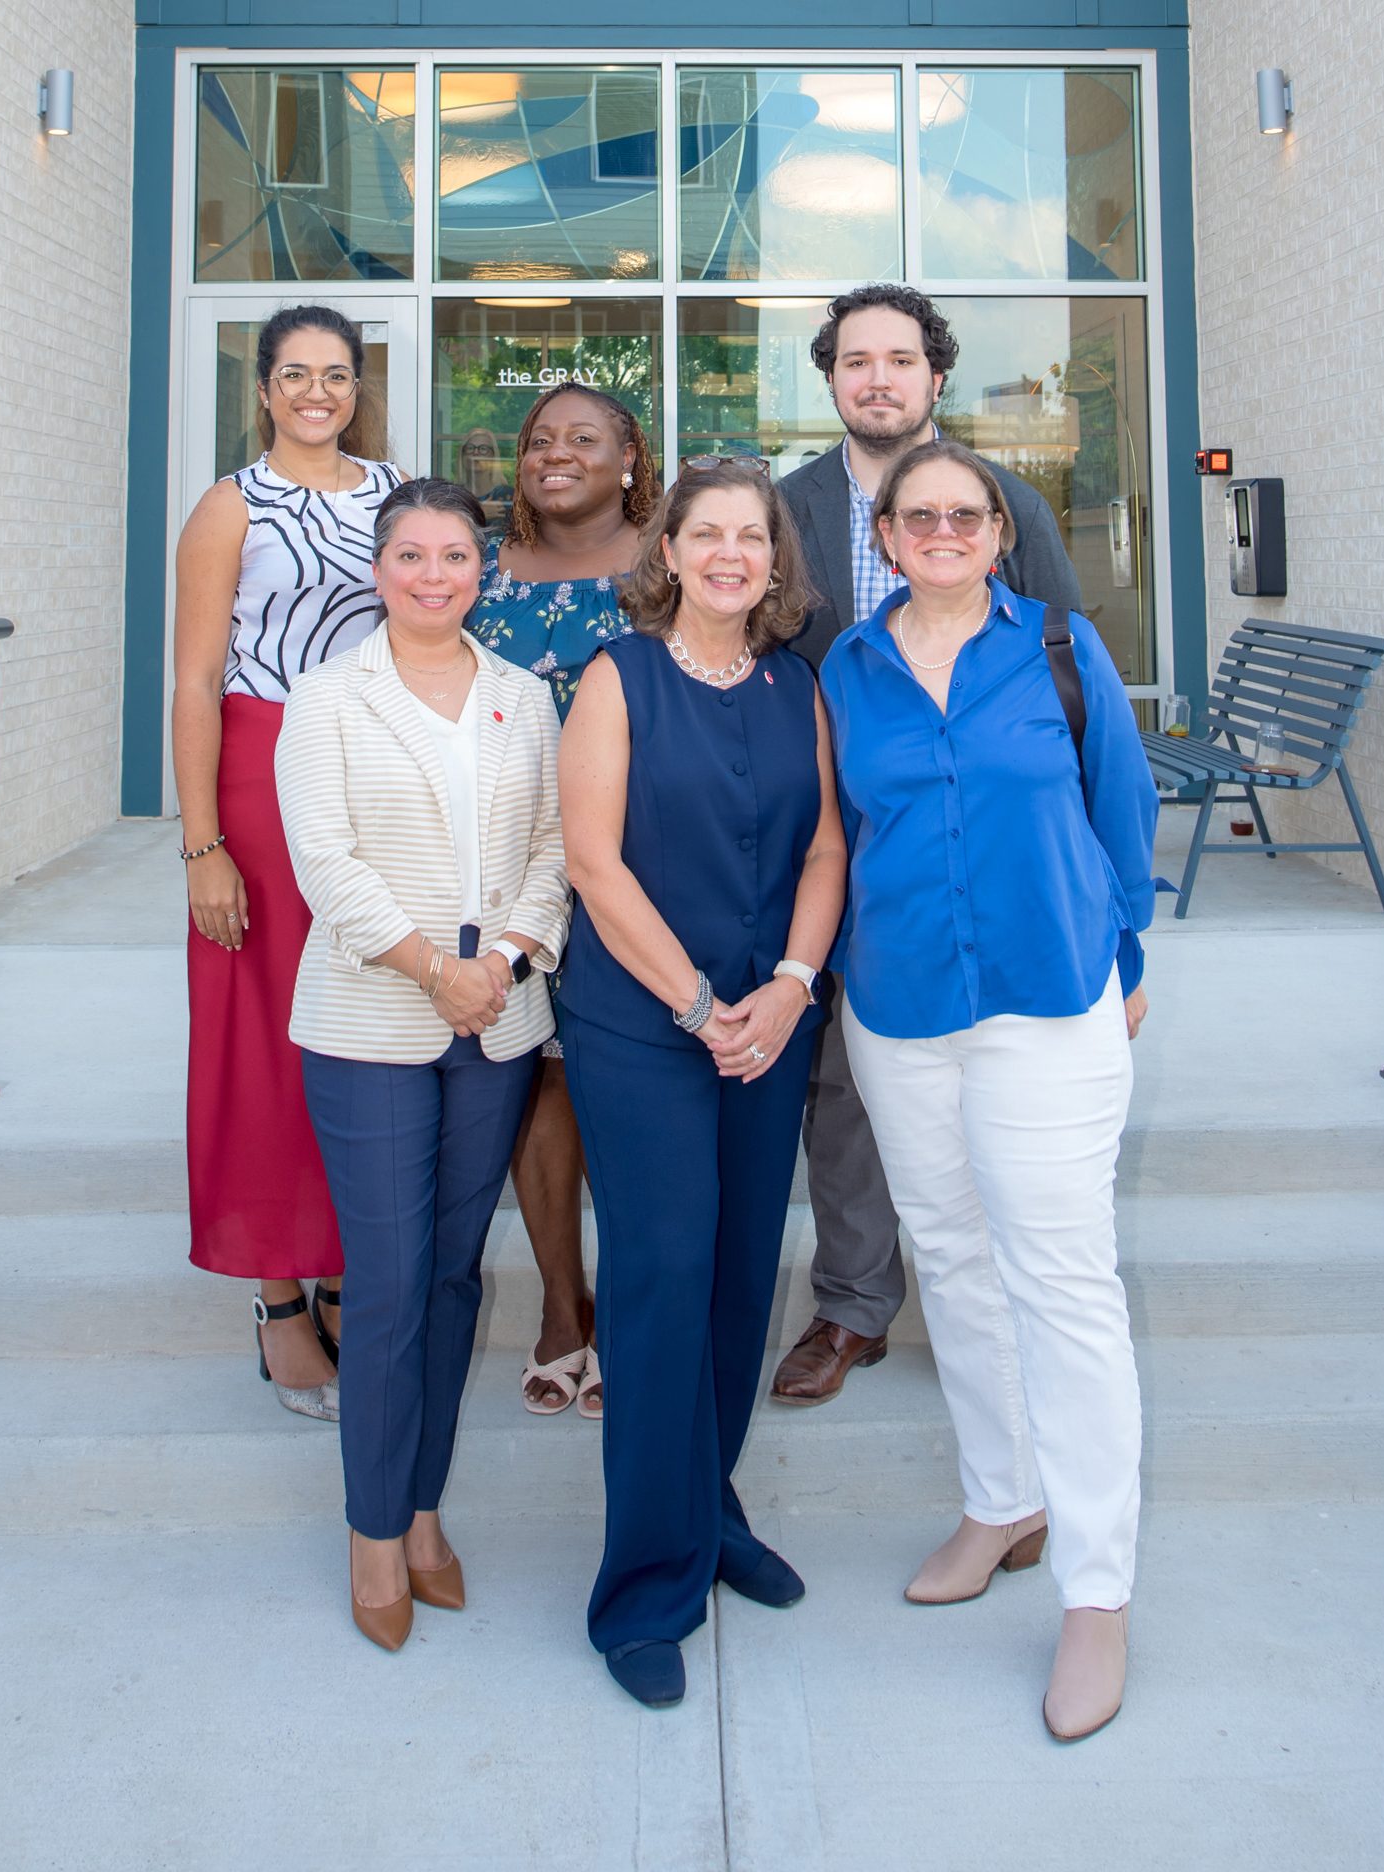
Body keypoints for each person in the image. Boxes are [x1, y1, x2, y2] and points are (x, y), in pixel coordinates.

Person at [819, 438, 1157, 1741]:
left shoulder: (1063, 654)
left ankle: (1094, 1590)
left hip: (1045, 998)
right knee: (952, 1262)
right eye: (918, 518)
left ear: (997, 534)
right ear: (886, 540)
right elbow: (836, 836)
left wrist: (1125, 955)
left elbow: (1117, 813)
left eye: (967, 514)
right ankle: (997, 1499)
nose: (943, 532)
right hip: (900, 1007)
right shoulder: (845, 671)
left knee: (1061, 1285)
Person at [557, 460, 847, 1708]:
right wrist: (694, 1005)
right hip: (642, 1023)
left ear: (776, 562)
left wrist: (785, 989)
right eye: (705, 533)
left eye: (752, 536)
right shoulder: (616, 679)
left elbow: (826, 847)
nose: (730, 553)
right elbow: (592, 864)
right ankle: (643, 1584)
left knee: (739, 1279)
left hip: (766, 1022)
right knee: (663, 1279)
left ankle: (710, 1513)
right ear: (666, 551)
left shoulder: (800, 688)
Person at [771, 282, 1084, 1408]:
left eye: (899, 360)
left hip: (982, 840)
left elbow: (1061, 678)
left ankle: (1001, 1298)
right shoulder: (788, 504)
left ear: (933, 377)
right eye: (855, 361)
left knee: (999, 1066)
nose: (878, 379)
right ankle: (853, 1304)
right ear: (832, 380)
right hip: (830, 834)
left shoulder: (1000, 504)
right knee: (846, 1083)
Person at [274, 478, 569, 1652]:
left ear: (482, 569)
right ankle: (372, 1532)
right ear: (379, 567)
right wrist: (427, 967)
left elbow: (551, 848)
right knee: (391, 1284)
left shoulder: (520, 696)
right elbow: (324, 860)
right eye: (411, 555)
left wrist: (499, 958)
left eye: (455, 555)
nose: (434, 575)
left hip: (495, 1019)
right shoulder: (327, 696)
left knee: (451, 1281)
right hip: (372, 1022)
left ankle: (427, 1509)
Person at [172, 304, 404, 1421]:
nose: (317, 391)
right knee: (263, 1032)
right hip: (259, 776)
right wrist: (202, 845)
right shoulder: (231, 505)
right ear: (262, 388)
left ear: (357, 386)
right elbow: (192, 681)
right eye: (295, 374)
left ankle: (351, 1270)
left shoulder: (394, 494)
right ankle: (275, 1293)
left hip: (375, 765)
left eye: (337, 374)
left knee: (367, 1026)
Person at [467, 384, 660, 1421]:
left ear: (629, 456)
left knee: (627, 1092)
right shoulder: (482, 565)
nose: (555, 454)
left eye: (583, 438)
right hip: (508, 863)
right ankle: (558, 1305)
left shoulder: (669, 564)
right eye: (541, 439)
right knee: (535, 1086)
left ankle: (629, 1309)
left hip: (639, 862)